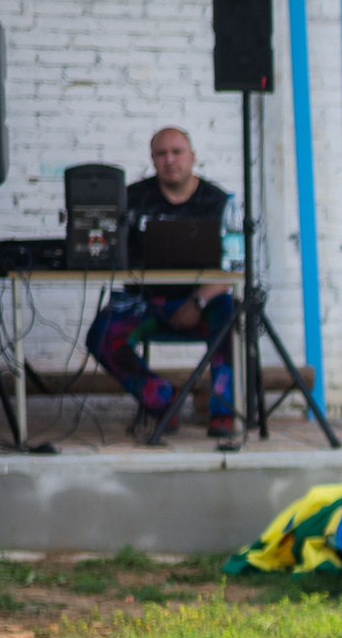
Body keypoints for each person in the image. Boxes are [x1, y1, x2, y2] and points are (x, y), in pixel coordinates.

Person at [88, 126, 236, 442]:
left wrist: (197, 302)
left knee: (231, 316)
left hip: (202, 302)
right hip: (146, 304)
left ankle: (222, 411)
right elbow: (111, 253)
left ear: (193, 157)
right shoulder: (131, 198)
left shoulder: (219, 202)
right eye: (161, 154)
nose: (170, 160)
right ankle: (163, 399)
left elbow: (233, 268)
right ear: (152, 160)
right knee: (102, 333)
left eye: (177, 152)